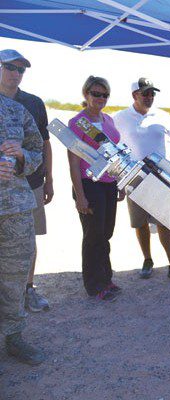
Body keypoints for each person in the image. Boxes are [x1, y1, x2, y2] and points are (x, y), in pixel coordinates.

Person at [112, 78, 170, 283]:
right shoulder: (119, 117)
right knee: (140, 223)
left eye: (152, 93)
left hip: (159, 177)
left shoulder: (162, 116)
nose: (149, 97)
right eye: (145, 93)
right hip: (133, 176)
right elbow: (111, 143)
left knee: (164, 221)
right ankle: (147, 260)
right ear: (134, 96)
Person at [0, 53, 45, 365]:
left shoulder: (19, 111)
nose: (15, 74)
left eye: (20, 70)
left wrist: (20, 160)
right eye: (9, 68)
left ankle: (13, 338)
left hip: (15, 208)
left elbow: (37, 151)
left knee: (15, 276)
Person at [68, 76, 125, 302]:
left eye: (104, 95)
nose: (100, 98)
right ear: (86, 95)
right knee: (93, 235)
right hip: (89, 184)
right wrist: (80, 196)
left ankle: (106, 277)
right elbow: (73, 161)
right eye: (95, 94)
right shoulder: (78, 122)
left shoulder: (108, 120)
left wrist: (120, 182)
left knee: (106, 233)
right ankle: (94, 285)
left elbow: (116, 155)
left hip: (109, 184)